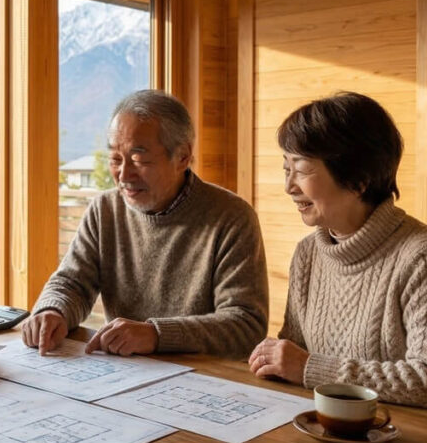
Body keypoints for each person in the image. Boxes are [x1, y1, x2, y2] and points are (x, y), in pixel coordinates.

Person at [248, 92, 427, 417]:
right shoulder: (308, 254)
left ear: (358, 180)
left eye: (301, 169)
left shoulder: (425, 256)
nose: (289, 186)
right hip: (341, 431)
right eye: (286, 168)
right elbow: (295, 360)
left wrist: (310, 368)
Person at [22, 90, 268, 358]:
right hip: (124, 370)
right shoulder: (104, 210)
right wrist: (52, 310)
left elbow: (246, 325)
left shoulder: (232, 217)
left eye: (139, 160)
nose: (124, 175)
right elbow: (72, 283)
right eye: (115, 159)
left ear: (183, 157)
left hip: (206, 376)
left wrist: (156, 335)